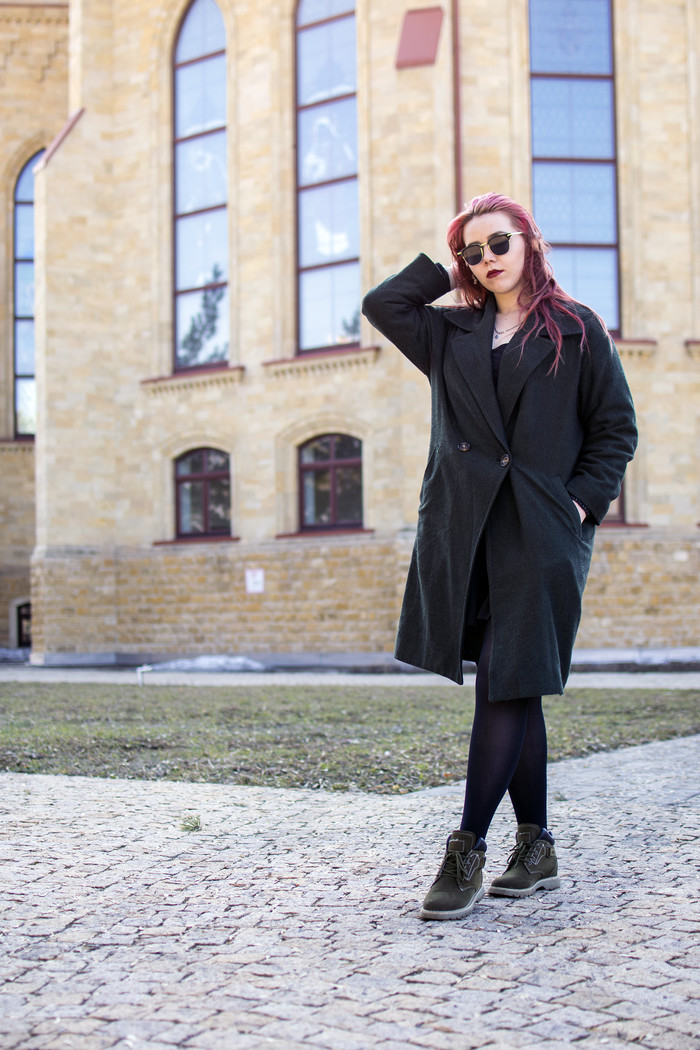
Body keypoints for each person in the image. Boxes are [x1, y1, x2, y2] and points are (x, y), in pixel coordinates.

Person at [362, 192, 637, 920]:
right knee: (516, 684)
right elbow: (383, 304)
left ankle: (467, 848)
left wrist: (578, 507)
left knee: (503, 685)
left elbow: (615, 428)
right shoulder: (449, 331)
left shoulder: (577, 328)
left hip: (540, 533)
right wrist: (443, 268)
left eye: (499, 243)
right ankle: (538, 848)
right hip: (466, 531)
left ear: (529, 241)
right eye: (473, 251)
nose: (487, 259)